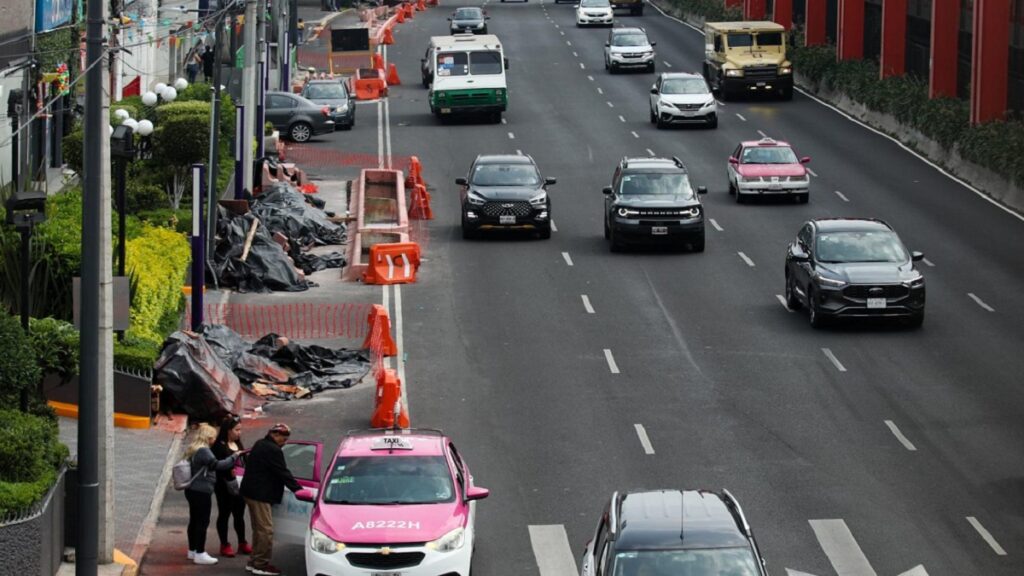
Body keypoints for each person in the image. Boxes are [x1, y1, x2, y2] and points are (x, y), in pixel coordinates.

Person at [240, 423, 302, 576]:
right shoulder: (273, 450)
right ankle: (260, 564)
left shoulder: (260, 444)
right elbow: (282, 472)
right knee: (266, 531)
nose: (285, 442)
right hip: (260, 495)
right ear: (275, 435)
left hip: (250, 492)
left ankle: (254, 561)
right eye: (284, 438)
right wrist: (298, 490)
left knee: (258, 530)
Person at [183, 423, 238, 565]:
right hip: (201, 490)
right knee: (202, 521)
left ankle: (192, 550)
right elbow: (218, 465)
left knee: (194, 520)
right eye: (212, 437)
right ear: (207, 437)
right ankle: (200, 553)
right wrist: (234, 457)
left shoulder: (193, 449)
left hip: (191, 489)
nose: (214, 439)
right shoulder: (204, 451)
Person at [212, 416, 250, 558]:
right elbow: (217, 465)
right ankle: (225, 544)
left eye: (240, 430)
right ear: (228, 430)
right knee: (224, 514)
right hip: (223, 486)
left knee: (239, 515)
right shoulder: (219, 446)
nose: (239, 433)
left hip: (239, 485)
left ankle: (242, 542)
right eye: (236, 430)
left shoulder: (239, 444)